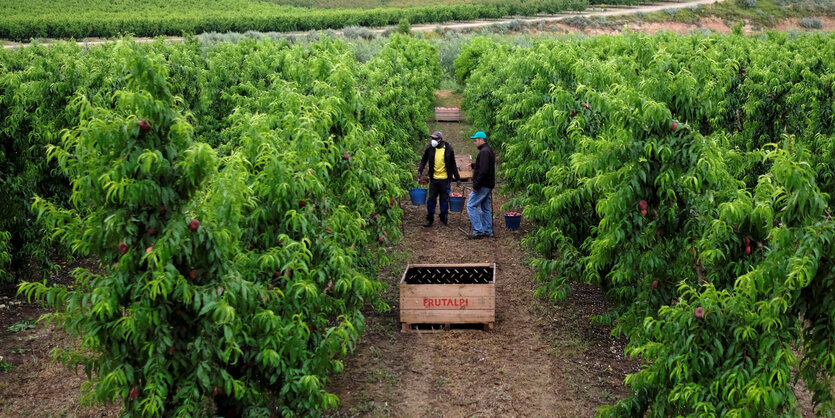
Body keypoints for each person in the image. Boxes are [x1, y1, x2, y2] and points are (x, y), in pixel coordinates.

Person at [417, 131, 461, 227]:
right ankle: (430, 219)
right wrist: (420, 171)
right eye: (432, 138)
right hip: (434, 179)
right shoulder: (430, 148)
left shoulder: (448, 149)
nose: (433, 141)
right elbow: (424, 160)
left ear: (440, 140)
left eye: (435, 139)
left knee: (444, 199)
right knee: (431, 199)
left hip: (445, 179)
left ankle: (443, 217)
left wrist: (457, 178)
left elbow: (453, 164)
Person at [467, 131, 495, 239]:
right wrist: (474, 165)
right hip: (489, 184)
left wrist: (476, 185)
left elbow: (483, 170)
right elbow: (484, 165)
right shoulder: (488, 150)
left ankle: (478, 230)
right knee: (485, 208)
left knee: (471, 205)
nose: (475, 142)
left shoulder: (484, 152)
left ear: (481, 140)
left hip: (483, 184)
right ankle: (488, 231)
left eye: (475, 140)